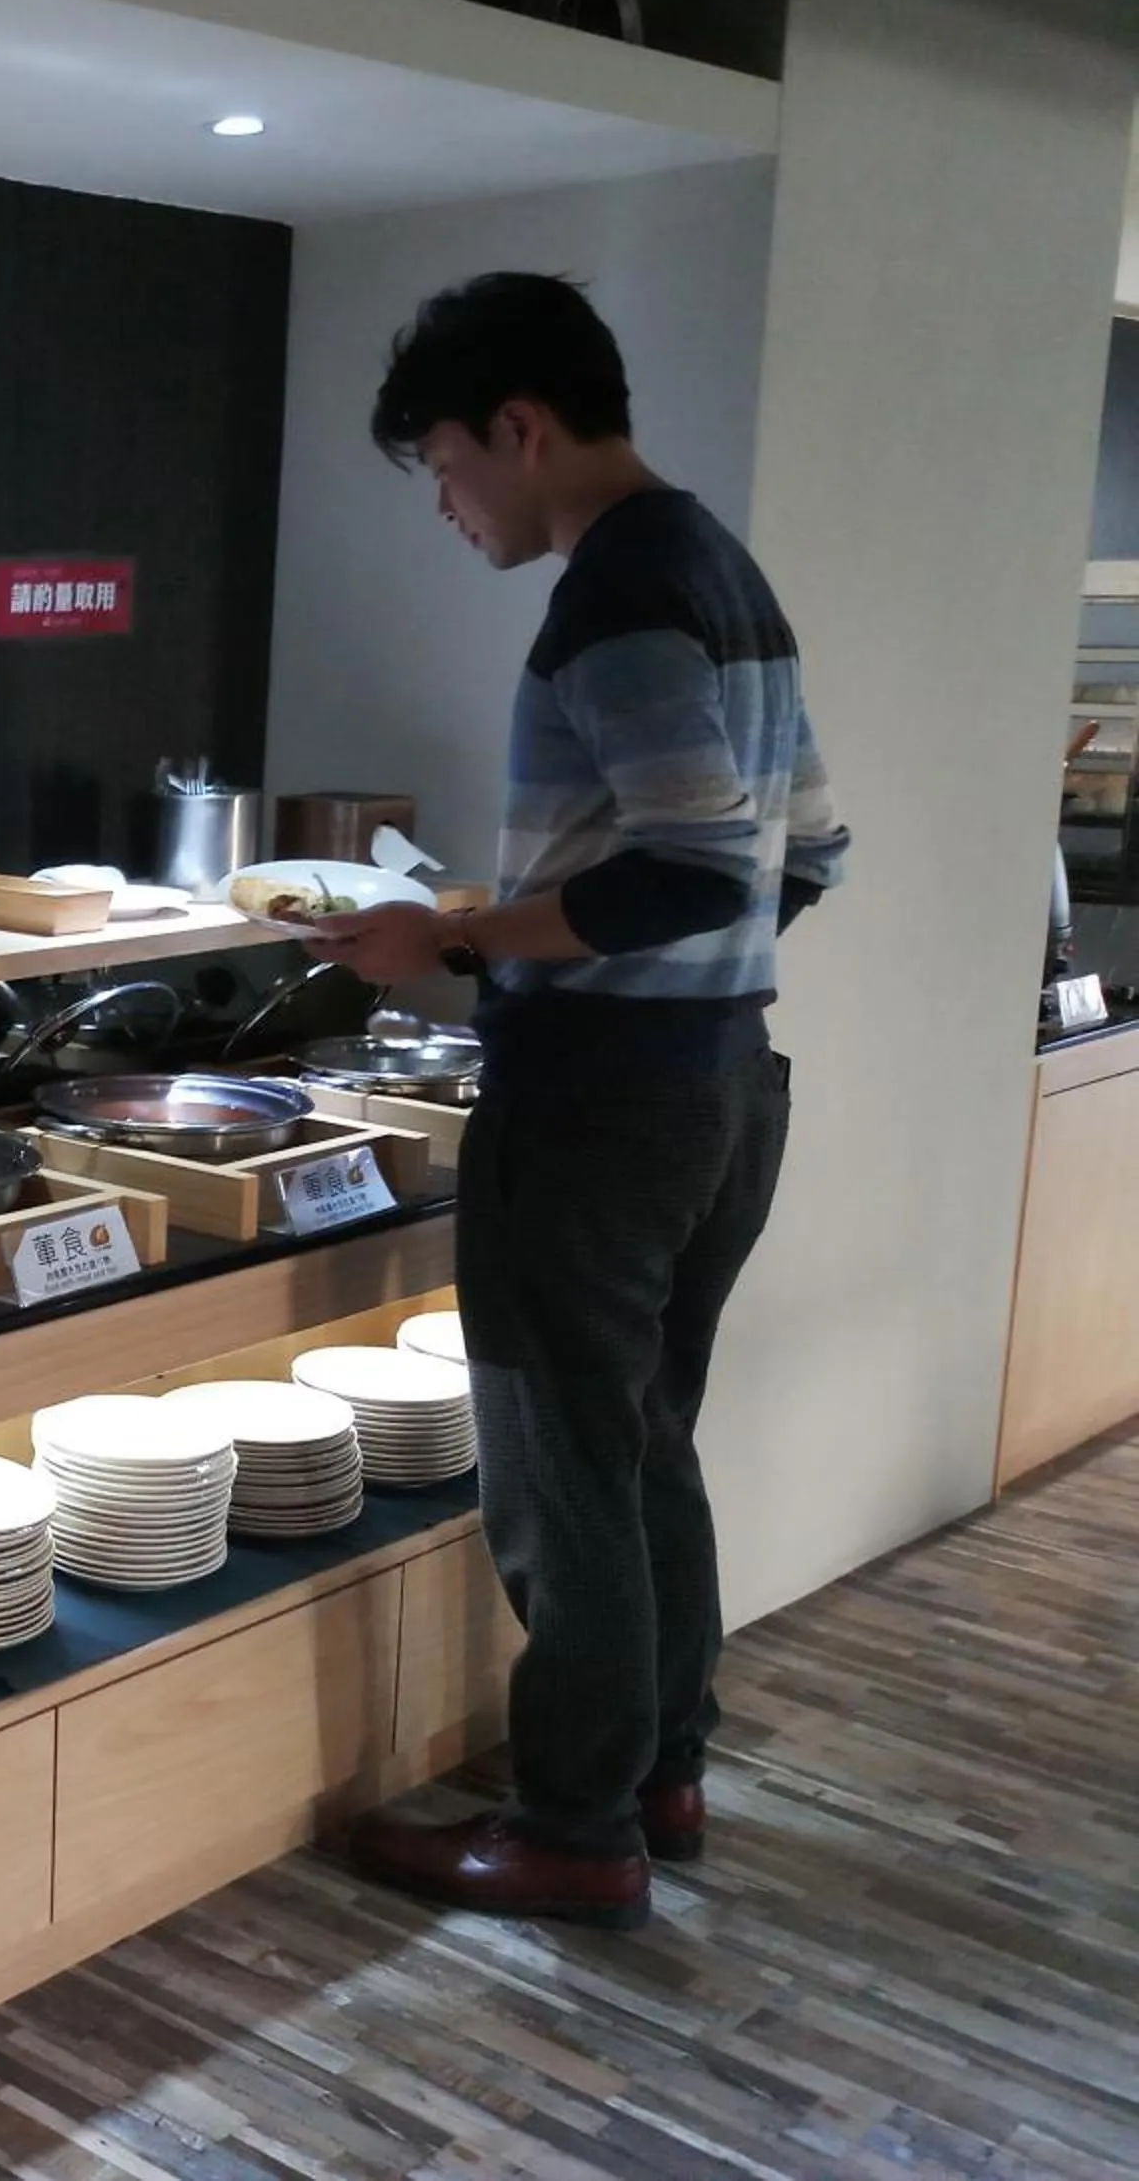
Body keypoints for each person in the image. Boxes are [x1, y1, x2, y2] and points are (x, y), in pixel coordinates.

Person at [308, 273, 850, 1930]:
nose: (455, 508)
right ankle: (655, 1771)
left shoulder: (616, 594)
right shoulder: (722, 571)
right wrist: (571, 944)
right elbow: (801, 859)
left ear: (521, 427)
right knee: (641, 1447)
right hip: (725, 1088)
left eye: (452, 470)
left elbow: (689, 869)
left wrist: (459, 935)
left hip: (603, 1114)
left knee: (560, 1476)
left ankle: (572, 1828)